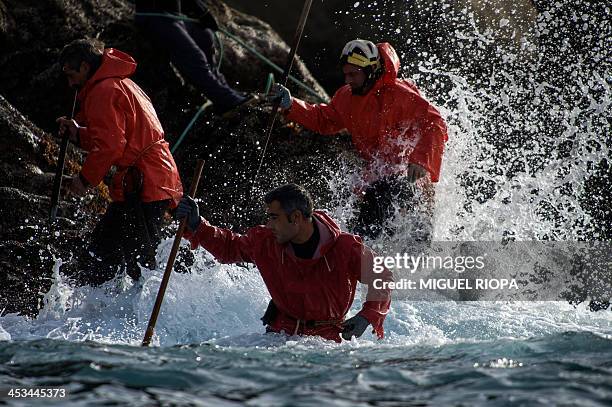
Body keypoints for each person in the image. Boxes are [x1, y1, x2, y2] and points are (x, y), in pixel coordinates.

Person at [268, 39, 448, 239]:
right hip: (377, 178)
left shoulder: (401, 94)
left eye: (353, 74)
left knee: (390, 209)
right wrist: (291, 105)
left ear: (370, 71)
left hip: (411, 180)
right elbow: (324, 120)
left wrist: (420, 160)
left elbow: (435, 123)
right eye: (346, 74)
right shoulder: (346, 97)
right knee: (366, 215)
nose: (348, 80)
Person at [176, 184, 393, 342]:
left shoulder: (346, 247)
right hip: (278, 336)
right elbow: (230, 248)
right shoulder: (265, 241)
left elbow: (381, 275)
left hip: (330, 340)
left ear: (296, 217)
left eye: (274, 217)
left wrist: (367, 315)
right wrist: (198, 225)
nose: (269, 224)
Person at [56, 38, 183, 285]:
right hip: (151, 178)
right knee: (106, 253)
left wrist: (84, 180)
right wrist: (78, 133)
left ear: (84, 66)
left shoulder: (103, 90)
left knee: (137, 264)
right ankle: (103, 308)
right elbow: (116, 135)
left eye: (71, 74)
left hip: (146, 183)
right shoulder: (120, 84)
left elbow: (112, 145)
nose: (70, 82)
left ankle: (140, 314)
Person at [134, 0, 253, 115]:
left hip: (174, 16)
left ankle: (224, 91)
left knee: (205, 35)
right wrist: (200, 9)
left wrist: (200, 11)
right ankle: (226, 101)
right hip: (154, 16)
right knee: (193, 56)